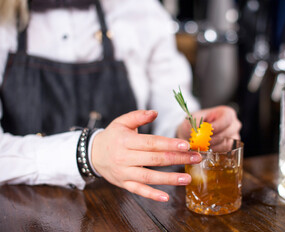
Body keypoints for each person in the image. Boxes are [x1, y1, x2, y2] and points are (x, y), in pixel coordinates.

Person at [0, 0, 241, 202]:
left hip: (130, 211)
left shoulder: (142, 9)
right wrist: (88, 152)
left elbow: (168, 103)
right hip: (20, 210)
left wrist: (185, 128)